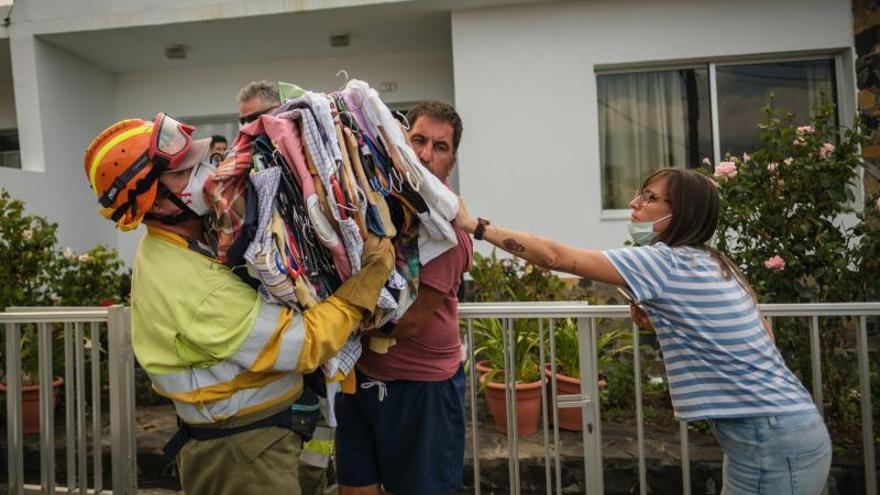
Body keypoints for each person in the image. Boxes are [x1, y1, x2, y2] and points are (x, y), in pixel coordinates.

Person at [455, 168, 831, 495]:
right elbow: (765, 334)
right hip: (781, 430)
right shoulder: (714, 262)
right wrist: (671, 319)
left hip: (768, 440)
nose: (634, 202)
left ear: (678, 214)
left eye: (649, 197)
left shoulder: (663, 261)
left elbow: (556, 257)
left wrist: (476, 226)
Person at [83, 114, 395, 495]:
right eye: (184, 172)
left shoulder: (188, 242)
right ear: (159, 205)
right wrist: (364, 288)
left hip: (254, 439)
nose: (205, 172)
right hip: (241, 455)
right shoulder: (193, 284)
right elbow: (306, 344)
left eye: (197, 162)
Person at [335, 101, 473, 495]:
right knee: (354, 488)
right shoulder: (375, 203)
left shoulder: (448, 232)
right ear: (400, 143)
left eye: (441, 147)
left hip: (422, 389)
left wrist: (328, 328)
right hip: (361, 378)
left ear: (452, 161)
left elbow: (411, 322)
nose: (427, 154)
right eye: (418, 140)